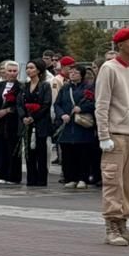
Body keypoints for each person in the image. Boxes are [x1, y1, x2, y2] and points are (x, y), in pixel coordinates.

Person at [94, 26, 129, 246]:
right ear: (121, 45)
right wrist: (104, 134)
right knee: (113, 182)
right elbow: (102, 103)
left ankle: (124, 223)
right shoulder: (109, 68)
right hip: (116, 133)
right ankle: (111, 225)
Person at [54, 62, 97, 190]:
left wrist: (82, 108)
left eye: (76, 72)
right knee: (68, 154)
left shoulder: (88, 88)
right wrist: (62, 115)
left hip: (81, 125)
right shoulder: (65, 88)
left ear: (82, 75)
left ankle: (82, 178)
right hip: (67, 126)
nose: (72, 74)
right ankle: (70, 177)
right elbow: (57, 104)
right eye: (71, 72)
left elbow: (95, 104)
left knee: (82, 154)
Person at [0, 61, 23, 185]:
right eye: (10, 71)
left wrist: (8, 110)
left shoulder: (21, 86)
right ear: (5, 72)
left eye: (14, 71)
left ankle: (13, 176)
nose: (12, 73)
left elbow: (21, 105)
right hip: (0, 122)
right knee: (2, 148)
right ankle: (2, 174)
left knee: (13, 149)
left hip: (13, 122)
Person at [19, 59, 52, 188]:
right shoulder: (24, 86)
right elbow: (20, 103)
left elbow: (46, 104)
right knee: (28, 151)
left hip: (40, 122)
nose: (29, 70)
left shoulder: (45, 85)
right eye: (27, 68)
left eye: (32, 68)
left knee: (41, 150)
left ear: (38, 70)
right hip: (27, 122)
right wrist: (24, 116)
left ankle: (41, 179)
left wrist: (34, 117)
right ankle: (31, 178)